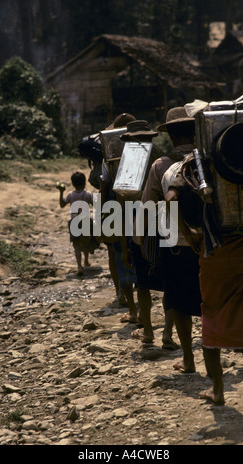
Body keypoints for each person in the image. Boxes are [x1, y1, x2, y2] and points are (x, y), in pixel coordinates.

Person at [165, 120, 243, 420]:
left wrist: (190, 236)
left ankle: (218, 390)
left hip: (214, 252)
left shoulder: (195, 164)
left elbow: (170, 200)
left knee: (211, 314)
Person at [141, 107, 202, 369]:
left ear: (170, 137)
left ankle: (188, 358)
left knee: (177, 300)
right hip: (207, 242)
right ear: (195, 132)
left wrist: (143, 241)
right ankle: (215, 360)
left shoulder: (161, 165)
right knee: (208, 297)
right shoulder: (206, 162)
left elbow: (147, 207)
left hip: (174, 243)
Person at [118, 120, 166, 343]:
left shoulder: (131, 158)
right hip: (167, 220)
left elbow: (124, 198)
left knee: (143, 283)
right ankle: (168, 332)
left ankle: (148, 329)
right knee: (169, 279)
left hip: (141, 223)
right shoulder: (162, 156)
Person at [100, 113, 139, 323]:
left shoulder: (110, 156)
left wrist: (102, 216)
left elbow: (104, 187)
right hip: (142, 206)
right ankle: (140, 301)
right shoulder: (146, 151)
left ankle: (126, 301)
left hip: (118, 209)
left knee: (118, 252)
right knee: (141, 252)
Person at [57, 171, 99, 276]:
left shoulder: (70, 195)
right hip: (85, 221)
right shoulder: (88, 194)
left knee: (77, 244)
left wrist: (61, 192)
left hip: (74, 221)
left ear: (73, 184)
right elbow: (96, 206)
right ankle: (86, 260)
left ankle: (79, 266)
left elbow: (62, 204)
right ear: (85, 183)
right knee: (86, 241)